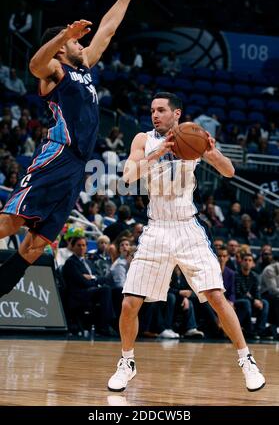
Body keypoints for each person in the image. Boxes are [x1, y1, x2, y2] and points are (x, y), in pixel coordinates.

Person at [0, 0, 145, 299]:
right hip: (57, 155)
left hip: (77, 166)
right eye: (76, 42)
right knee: (11, 222)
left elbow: (107, 29)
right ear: (62, 47)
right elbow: (34, 64)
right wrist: (65, 34)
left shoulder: (84, 69)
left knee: (37, 245)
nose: (83, 44)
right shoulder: (54, 72)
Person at [108, 92, 265, 393]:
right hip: (156, 229)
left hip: (187, 228)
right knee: (129, 302)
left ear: (176, 114)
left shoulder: (191, 136)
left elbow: (229, 171)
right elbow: (128, 177)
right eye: (152, 110)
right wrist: (157, 154)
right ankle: (127, 362)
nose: (155, 115)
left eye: (161, 110)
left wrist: (211, 151)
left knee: (217, 296)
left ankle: (247, 360)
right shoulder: (143, 139)